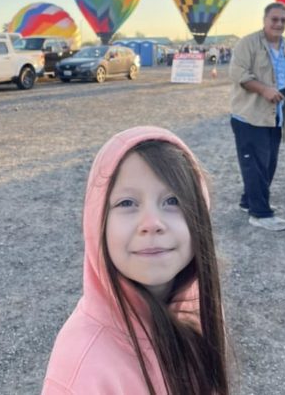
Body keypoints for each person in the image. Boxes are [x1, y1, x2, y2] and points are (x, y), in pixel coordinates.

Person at [41, 126, 230, 395]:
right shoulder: (84, 366)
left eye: (172, 200)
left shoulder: (199, 311)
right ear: (97, 223)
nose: (152, 224)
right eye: (127, 203)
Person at [229, 2, 285, 232]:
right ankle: (260, 213)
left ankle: (248, 201)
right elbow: (237, 73)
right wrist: (263, 89)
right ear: (264, 20)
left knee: (269, 164)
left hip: (275, 116)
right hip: (250, 116)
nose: (279, 24)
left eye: (283, 20)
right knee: (255, 164)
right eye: (274, 19)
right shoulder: (248, 43)